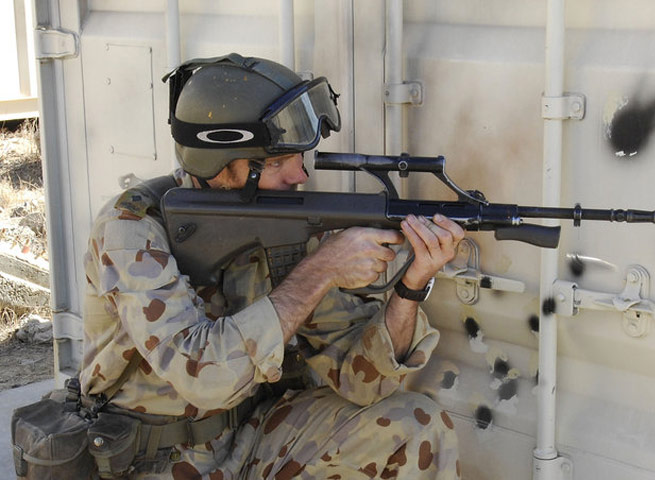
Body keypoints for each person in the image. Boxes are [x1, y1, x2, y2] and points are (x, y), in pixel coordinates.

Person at [79, 53, 463, 479]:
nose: (300, 176)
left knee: (415, 425)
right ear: (219, 167)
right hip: (156, 459)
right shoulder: (131, 229)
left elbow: (364, 382)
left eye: (298, 158)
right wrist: (321, 270)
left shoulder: (280, 221)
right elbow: (204, 377)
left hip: (252, 436)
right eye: (278, 162)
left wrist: (410, 287)